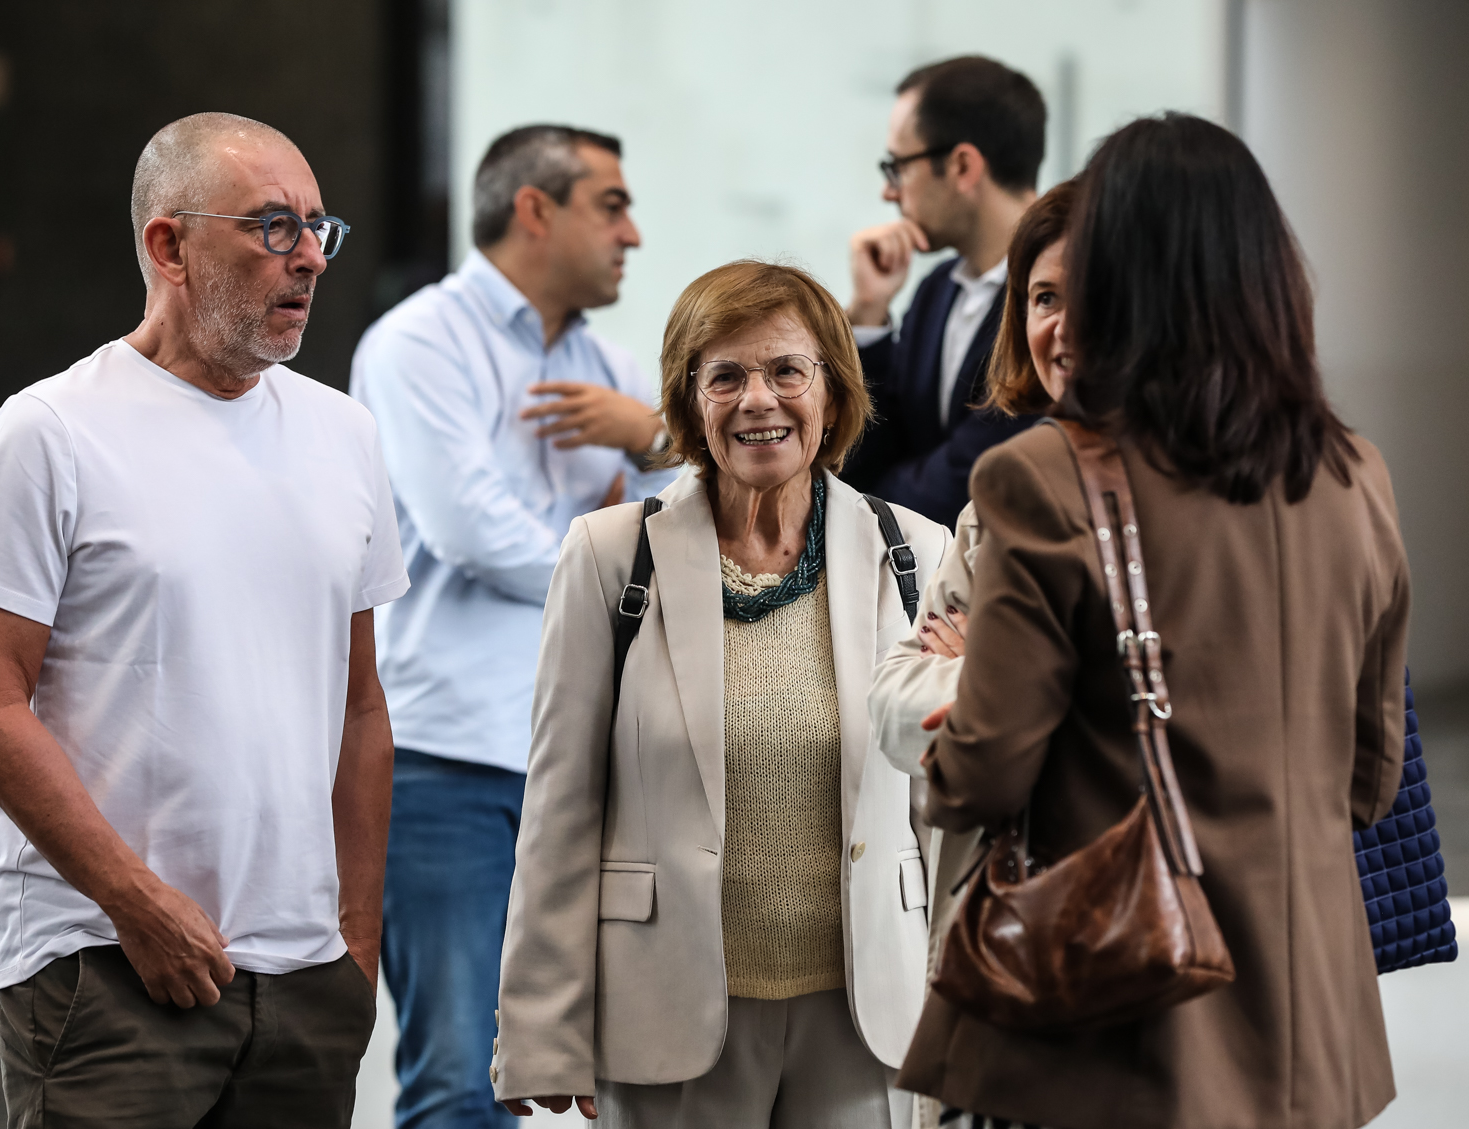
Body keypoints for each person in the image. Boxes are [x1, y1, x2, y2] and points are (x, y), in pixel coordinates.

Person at [899, 114, 1409, 1129]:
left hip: (1123, 1019)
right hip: (1310, 1026)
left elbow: (984, 774)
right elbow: (1369, 776)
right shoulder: (1354, 472)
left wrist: (951, 716)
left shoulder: (1043, 477)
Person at [0, 113, 407, 1128]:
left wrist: (355, 941)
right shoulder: (53, 430)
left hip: (305, 974)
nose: (309, 261)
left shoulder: (345, 434)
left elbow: (361, 707)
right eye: (274, 228)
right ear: (169, 244)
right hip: (105, 964)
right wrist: (135, 904)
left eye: (319, 229)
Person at [491, 260, 950, 1129]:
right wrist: (542, 1028)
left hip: (868, 1015)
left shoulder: (914, 553)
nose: (759, 400)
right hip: (668, 1010)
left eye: (787, 370)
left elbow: (944, 808)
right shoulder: (609, 554)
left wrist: (973, 1011)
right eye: (726, 375)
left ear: (833, 389)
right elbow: (560, 805)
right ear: (689, 400)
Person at [349, 124, 673, 1129]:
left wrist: (656, 437)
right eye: (610, 205)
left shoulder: (612, 367)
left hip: (586, 763)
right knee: (459, 1075)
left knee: (576, 1075)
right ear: (535, 209)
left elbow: (691, 534)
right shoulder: (415, 344)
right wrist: (626, 567)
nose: (634, 234)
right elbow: (468, 530)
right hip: (447, 760)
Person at [864, 180, 1076, 1129]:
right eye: (1040, 297)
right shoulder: (1003, 493)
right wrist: (976, 678)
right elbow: (896, 706)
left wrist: (977, 675)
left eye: (1091, 295)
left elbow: (996, 746)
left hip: (1132, 953)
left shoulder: (1211, 503)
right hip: (990, 939)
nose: (1061, 327)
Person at [840, 55, 1047, 529]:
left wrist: (853, 507)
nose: (888, 193)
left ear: (962, 165)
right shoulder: (938, 289)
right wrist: (869, 313)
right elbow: (857, 453)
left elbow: (970, 484)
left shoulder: (1055, 297)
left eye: (897, 167)